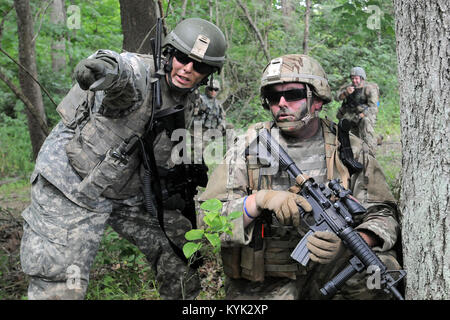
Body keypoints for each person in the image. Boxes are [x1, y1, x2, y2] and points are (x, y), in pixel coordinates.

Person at [19, 17, 227, 300]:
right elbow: (119, 69)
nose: (187, 69)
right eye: (182, 58)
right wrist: (102, 68)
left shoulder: (190, 101)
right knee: (61, 283)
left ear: (208, 73)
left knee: (181, 248)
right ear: (169, 53)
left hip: (128, 192)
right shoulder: (140, 73)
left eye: (199, 66)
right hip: (71, 187)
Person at [196, 54, 401, 299]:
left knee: (379, 274)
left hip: (332, 271)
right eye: (274, 96)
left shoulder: (348, 149)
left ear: (317, 100)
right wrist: (258, 201)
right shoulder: (248, 148)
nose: (282, 103)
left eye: (293, 95)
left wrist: (355, 240)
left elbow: (383, 212)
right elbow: (207, 221)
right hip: (268, 277)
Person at [335, 67, 380, 152]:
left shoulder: (369, 88)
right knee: (345, 131)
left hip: (365, 114)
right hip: (350, 114)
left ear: (362, 78)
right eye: (352, 78)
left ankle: (371, 150)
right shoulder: (348, 87)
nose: (354, 81)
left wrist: (362, 115)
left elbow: (373, 107)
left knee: (365, 123)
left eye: (356, 78)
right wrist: (346, 93)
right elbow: (336, 98)